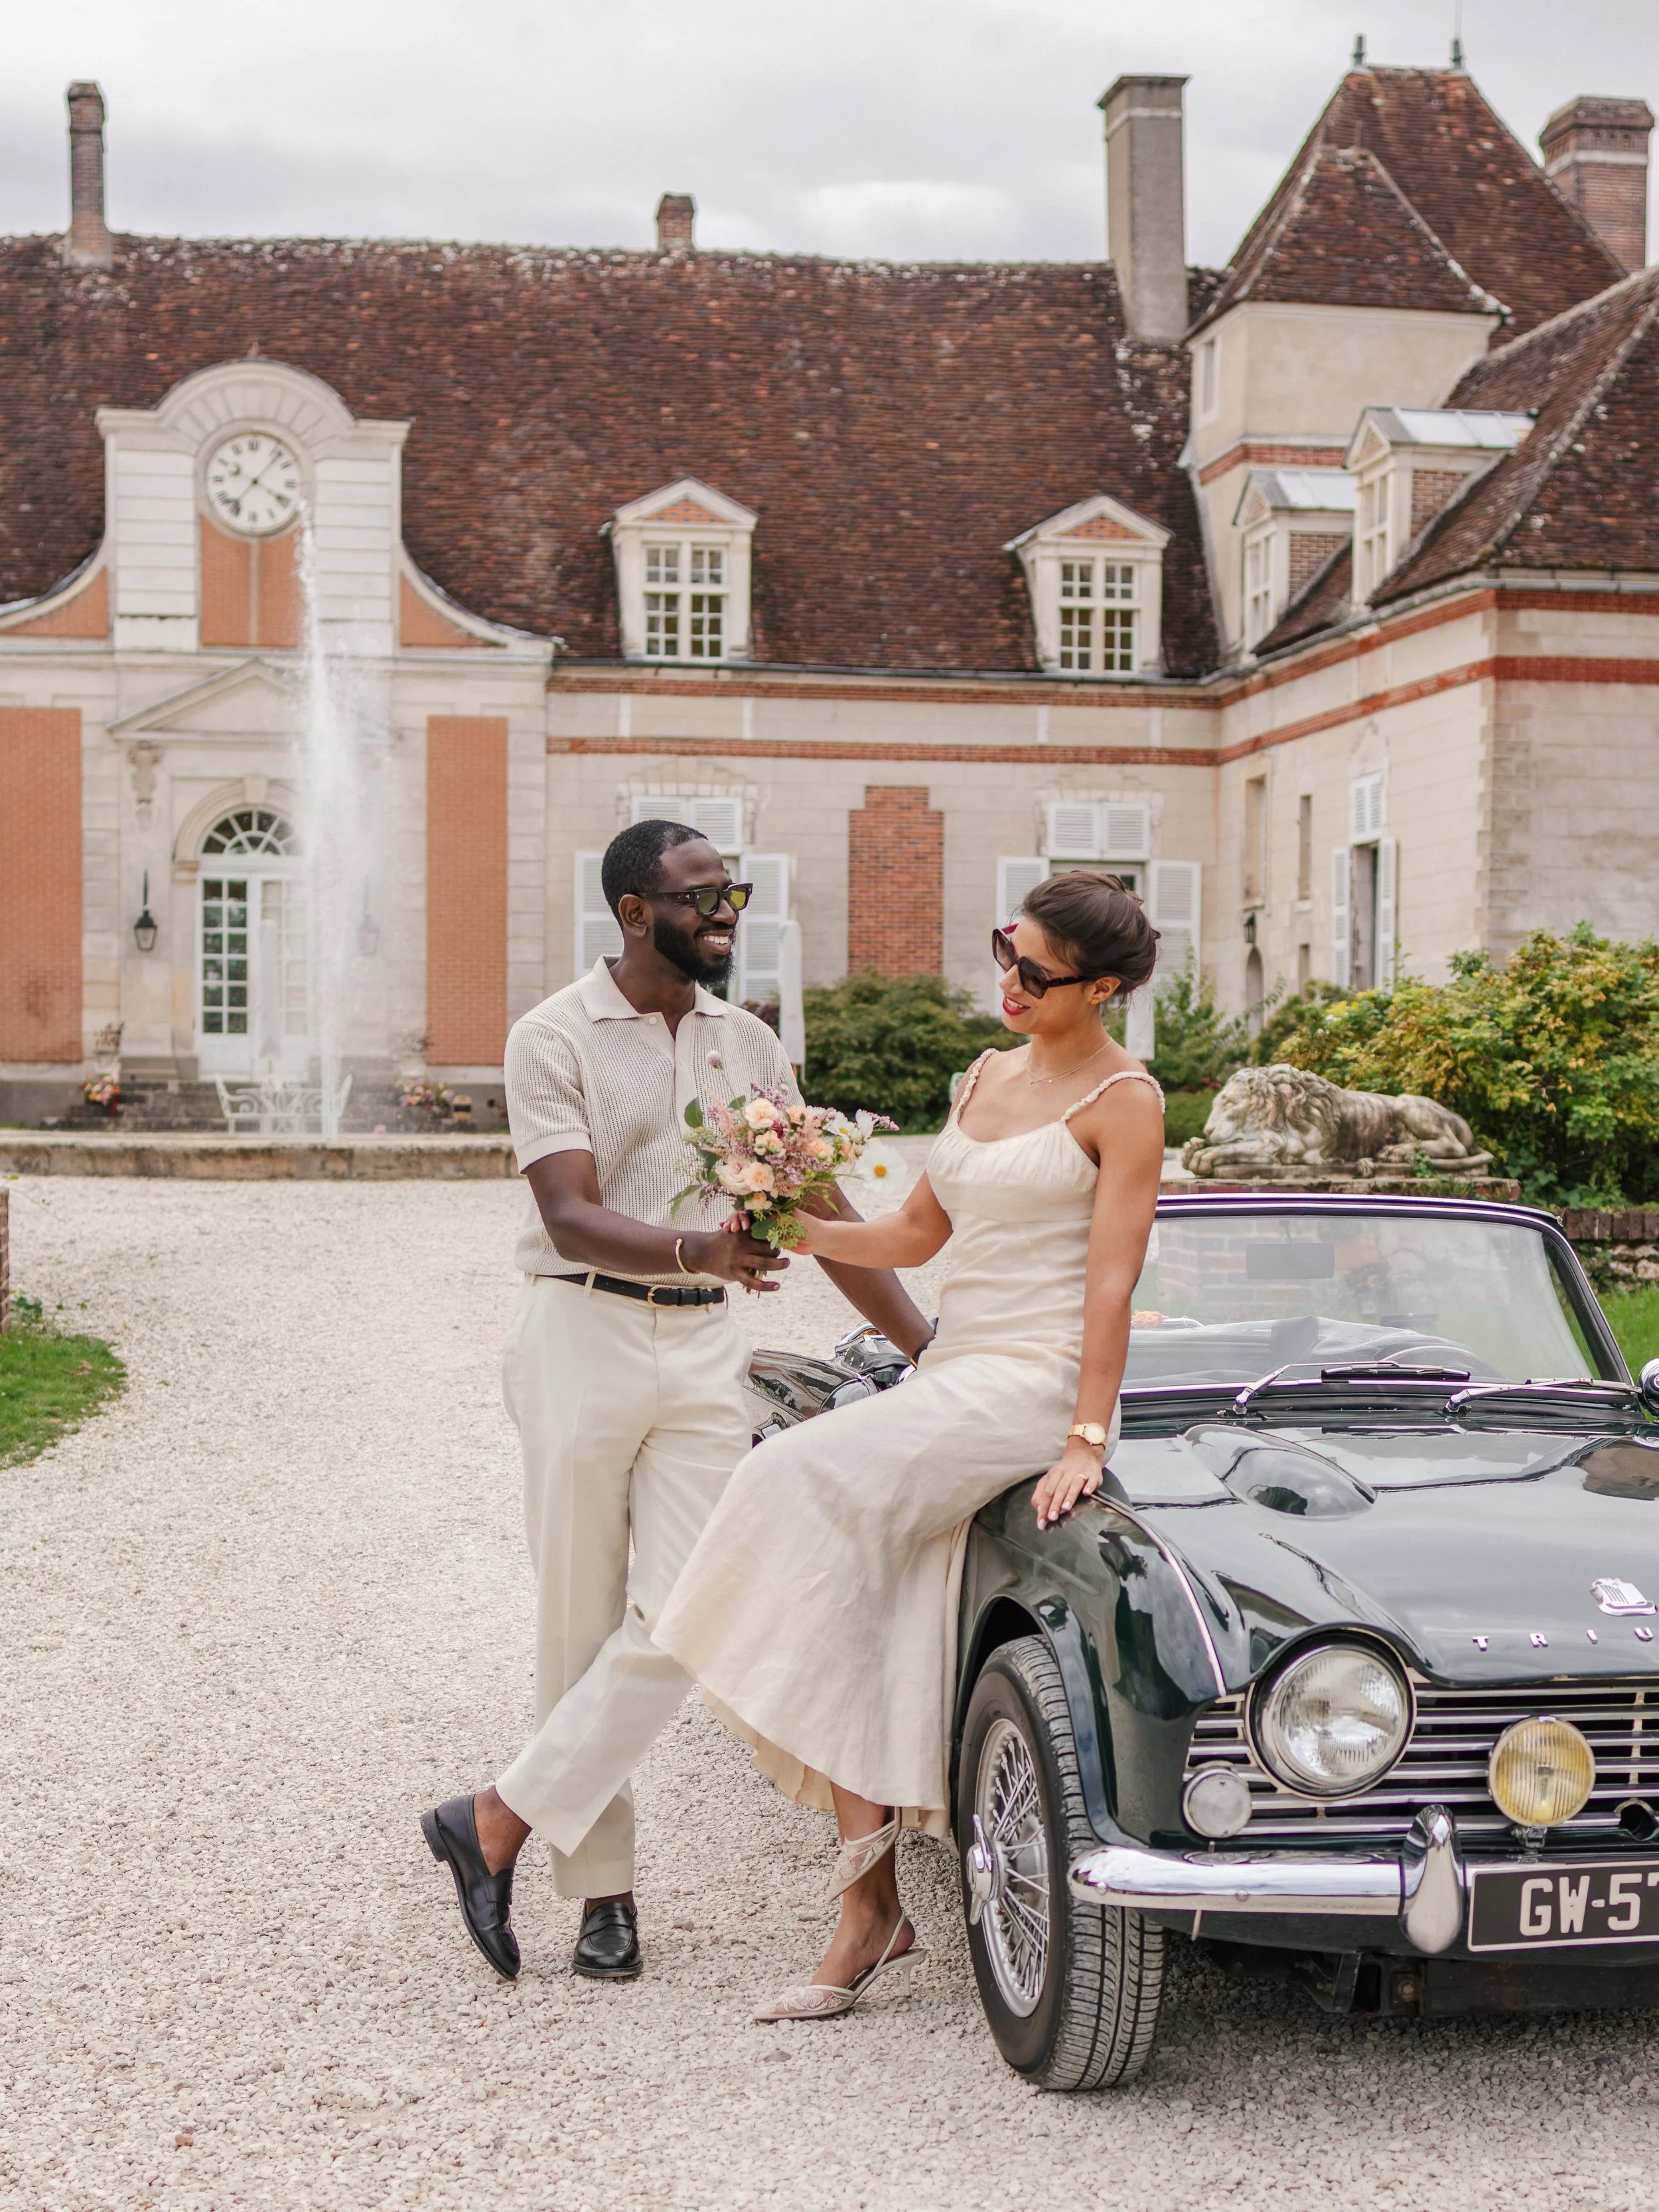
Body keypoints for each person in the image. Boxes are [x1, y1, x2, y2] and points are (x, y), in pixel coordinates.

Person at [421, 820, 931, 1984]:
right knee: (580, 1618)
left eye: (730, 891)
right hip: (579, 1333)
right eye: (701, 895)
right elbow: (569, 1215)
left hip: (704, 1348)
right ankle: (603, 1894)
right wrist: (702, 1246)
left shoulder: (749, 1043)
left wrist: (926, 1343)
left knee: (695, 1607)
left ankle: (494, 1819)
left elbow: (821, 1203)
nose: (725, 911)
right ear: (634, 911)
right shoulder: (552, 1036)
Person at [654, 869, 1165, 2020]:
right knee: (857, 1594)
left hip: (1035, 1383)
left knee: (787, 1472)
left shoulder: (1127, 1101)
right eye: (1006, 951)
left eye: (1037, 973)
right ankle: (870, 1904)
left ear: (1103, 989)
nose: (1011, 982)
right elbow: (916, 1232)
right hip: (955, 1368)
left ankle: (872, 1904)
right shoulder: (984, 1074)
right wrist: (792, 1221)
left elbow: (1112, 1283)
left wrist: (1087, 1435)